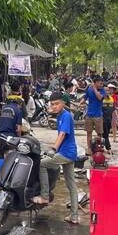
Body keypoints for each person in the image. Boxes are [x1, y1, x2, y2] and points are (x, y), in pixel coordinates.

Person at [32, 92, 79, 224]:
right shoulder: (60, 116)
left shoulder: (66, 116)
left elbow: (62, 134)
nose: (54, 106)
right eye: (52, 104)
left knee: (41, 164)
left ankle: (44, 196)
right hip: (68, 153)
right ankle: (74, 216)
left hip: (66, 153)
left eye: (57, 103)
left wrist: (53, 149)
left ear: (63, 103)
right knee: (72, 186)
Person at [0, 81, 24, 159]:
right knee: (13, 160)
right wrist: (19, 139)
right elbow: (18, 129)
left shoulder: (3, 108)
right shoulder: (18, 110)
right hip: (9, 138)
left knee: (0, 160)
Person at [84, 76, 106, 154]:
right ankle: (89, 148)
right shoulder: (89, 89)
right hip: (89, 114)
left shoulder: (103, 90)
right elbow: (85, 97)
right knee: (88, 132)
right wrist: (80, 103)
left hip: (98, 115)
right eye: (100, 83)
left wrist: (94, 89)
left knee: (99, 133)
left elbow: (100, 98)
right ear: (95, 83)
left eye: (102, 83)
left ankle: (98, 148)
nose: (101, 85)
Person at [101, 83, 117, 150]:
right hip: (102, 119)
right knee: (105, 133)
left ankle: (105, 146)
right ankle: (108, 147)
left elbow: (113, 109)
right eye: (106, 91)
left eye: (108, 90)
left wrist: (115, 117)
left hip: (109, 119)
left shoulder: (111, 99)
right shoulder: (101, 99)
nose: (107, 92)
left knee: (106, 133)